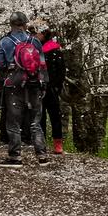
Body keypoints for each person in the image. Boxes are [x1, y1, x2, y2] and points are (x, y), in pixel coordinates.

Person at [0, 12, 49, 168]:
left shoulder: (5, 41)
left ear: (11, 25)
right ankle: (42, 155)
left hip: (14, 84)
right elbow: (43, 64)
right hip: (34, 83)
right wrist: (43, 83)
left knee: (13, 122)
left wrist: (8, 71)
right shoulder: (35, 41)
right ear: (25, 24)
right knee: (35, 121)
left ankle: (15, 156)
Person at [36, 23, 66, 155]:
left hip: (51, 87)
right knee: (40, 116)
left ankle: (57, 143)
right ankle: (42, 143)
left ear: (43, 34)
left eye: (38, 33)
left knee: (54, 115)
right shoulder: (35, 48)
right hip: (39, 86)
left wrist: (57, 86)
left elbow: (61, 70)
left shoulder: (54, 49)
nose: (36, 36)